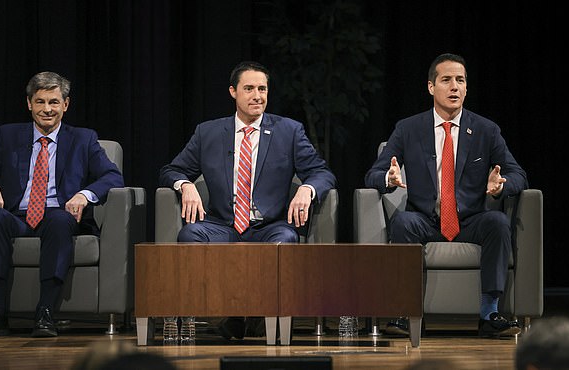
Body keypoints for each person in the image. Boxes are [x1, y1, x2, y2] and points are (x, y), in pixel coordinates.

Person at [158, 60, 336, 340]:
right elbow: (171, 169)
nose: (257, 96)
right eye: (249, 88)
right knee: (191, 234)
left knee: (285, 240)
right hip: (223, 225)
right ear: (233, 92)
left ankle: (252, 317)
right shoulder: (209, 132)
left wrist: (307, 189)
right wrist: (185, 185)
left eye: (263, 89)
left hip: (269, 226)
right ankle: (225, 314)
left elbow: (321, 172)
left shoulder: (288, 131)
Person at [365, 53, 528, 338]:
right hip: (425, 219)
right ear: (431, 87)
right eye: (446, 80)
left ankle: (489, 313)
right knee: (402, 223)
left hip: (470, 219)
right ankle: (406, 312)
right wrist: (387, 179)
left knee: (498, 223)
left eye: (460, 80)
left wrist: (502, 185)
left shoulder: (485, 130)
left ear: (467, 88)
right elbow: (373, 174)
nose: (454, 87)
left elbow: (518, 175)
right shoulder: (408, 129)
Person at [0, 71, 124, 338]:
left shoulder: (83, 138)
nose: (47, 109)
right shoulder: (7, 136)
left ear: (66, 104)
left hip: (58, 215)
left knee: (60, 220)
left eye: (54, 102)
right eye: (40, 102)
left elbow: (113, 176)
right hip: (17, 215)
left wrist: (84, 195)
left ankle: (46, 312)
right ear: (29, 104)